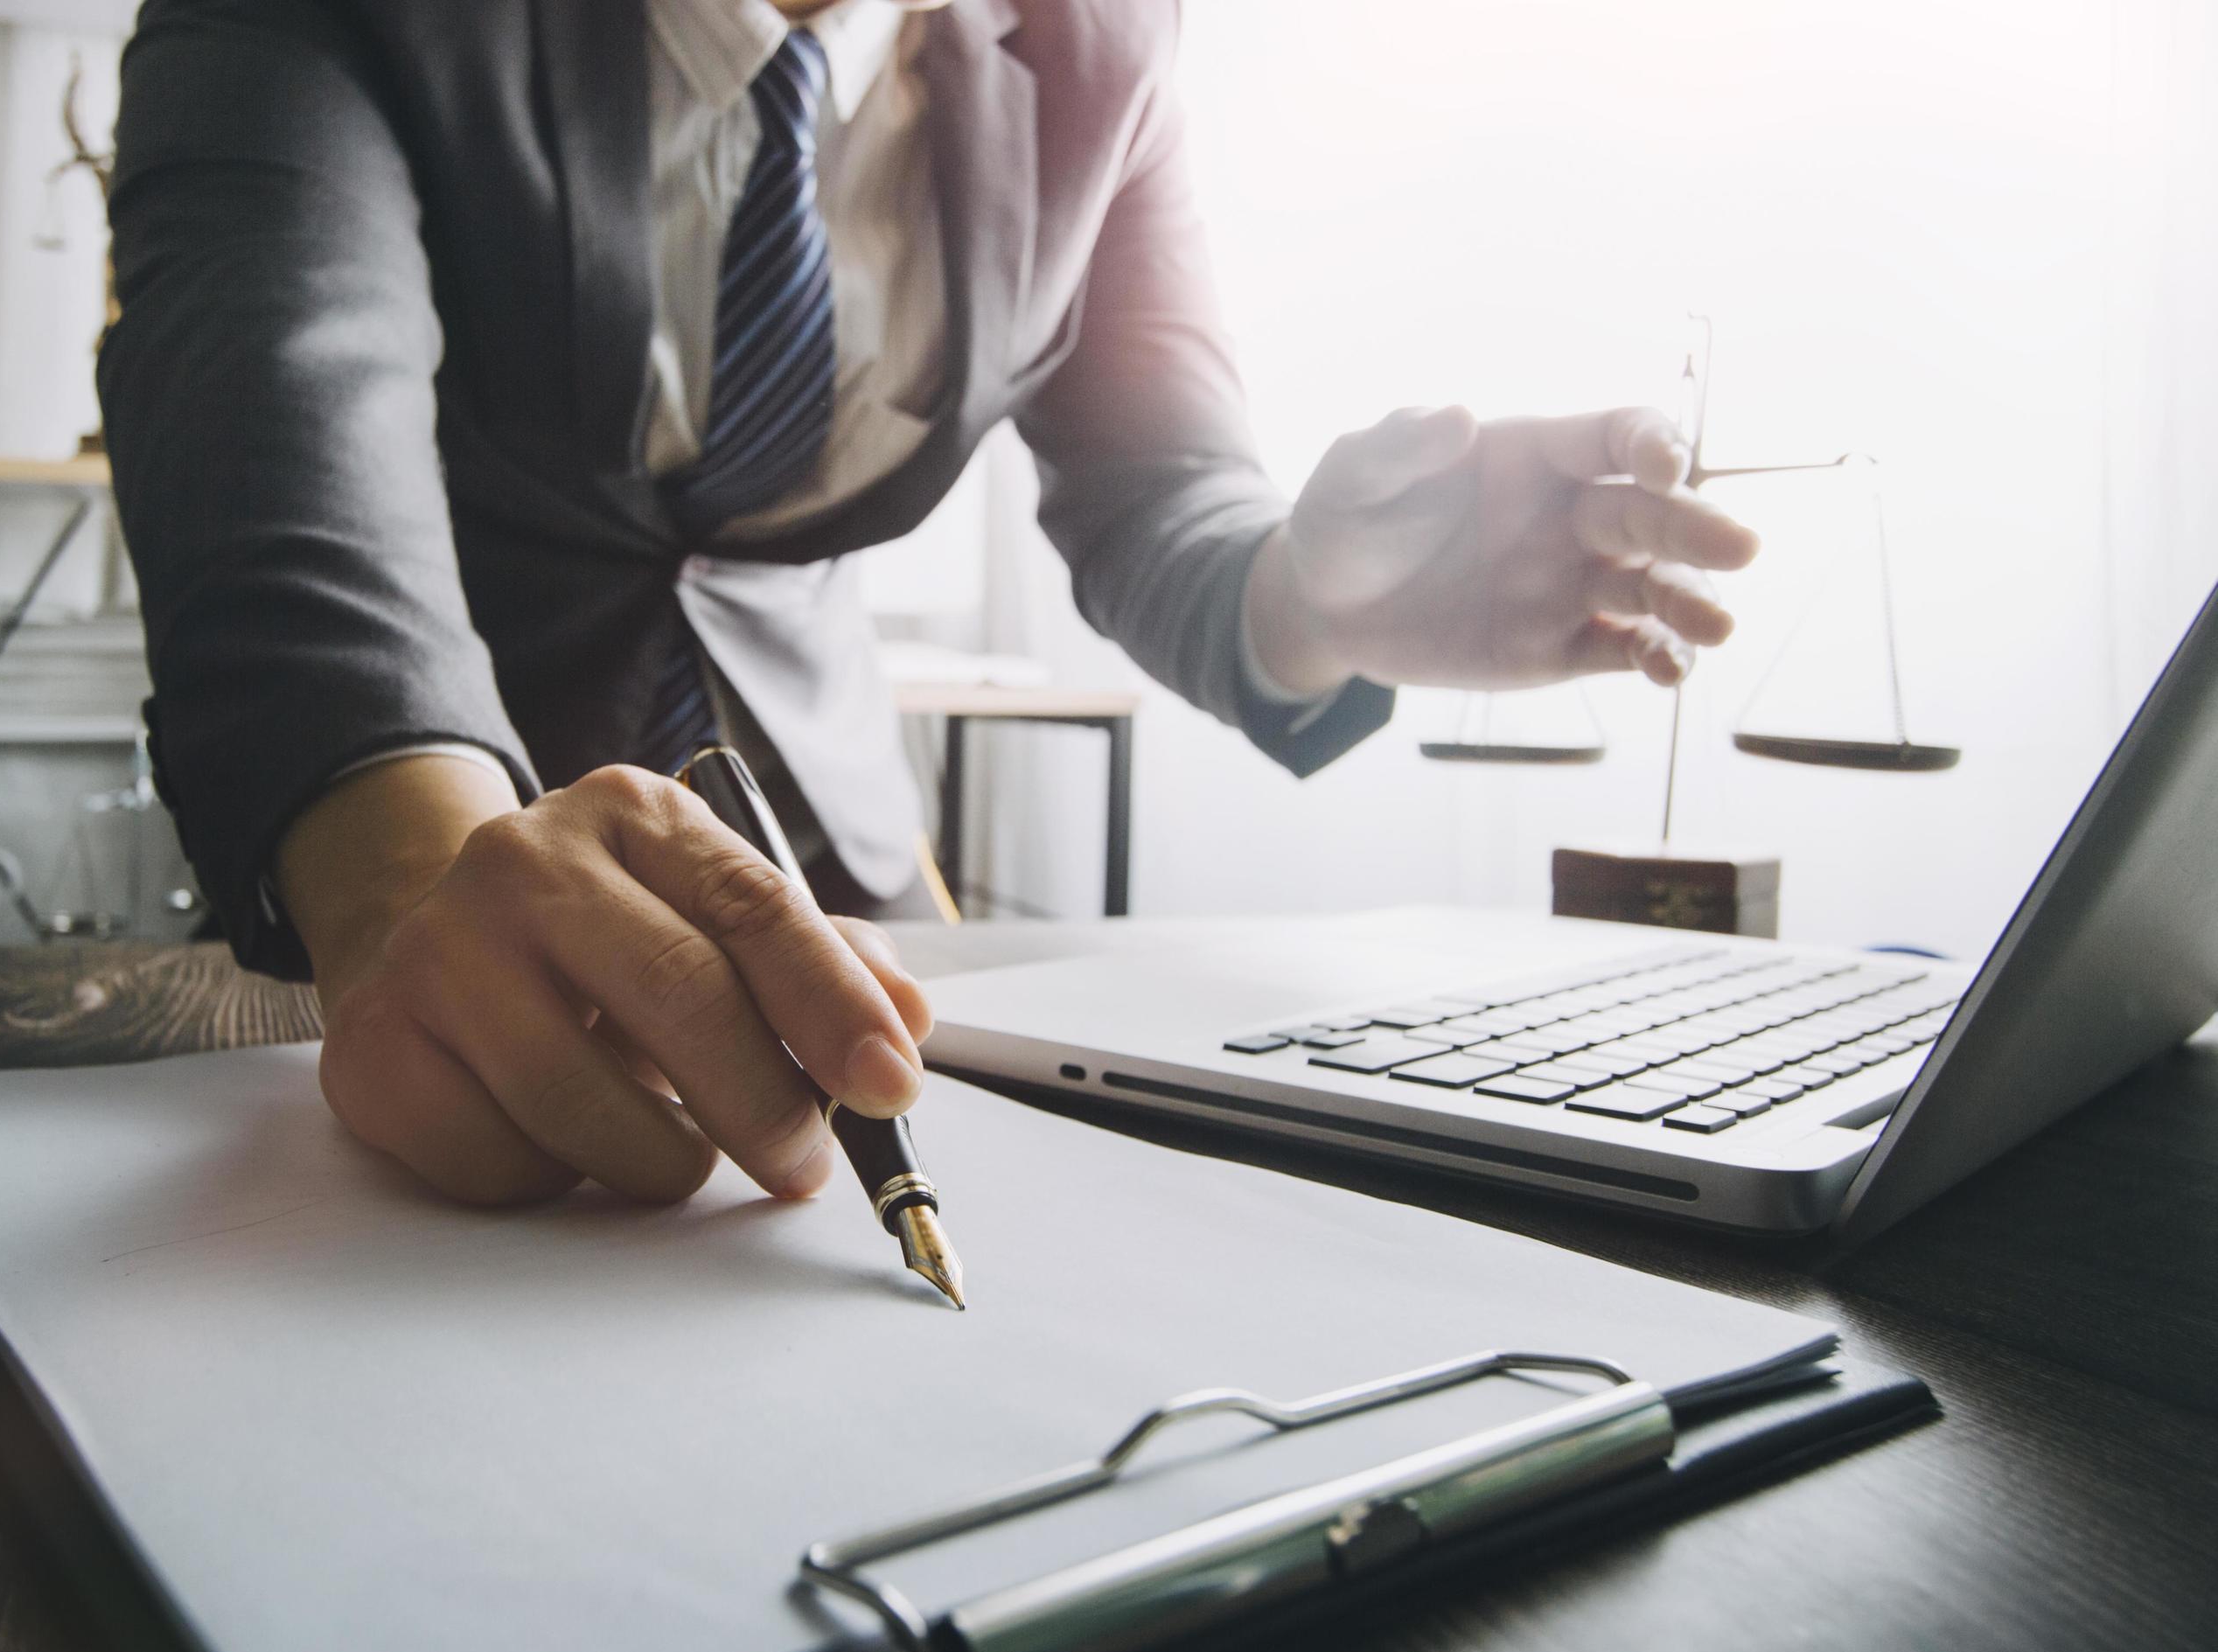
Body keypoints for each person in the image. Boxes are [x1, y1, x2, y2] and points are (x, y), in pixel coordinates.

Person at [98, 0, 1761, 1211]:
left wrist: (1316, 598)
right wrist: (411, 879)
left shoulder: (1103, 46)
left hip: (851, 879)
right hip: (424, 858)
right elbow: (276, 410)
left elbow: (1157, 489)